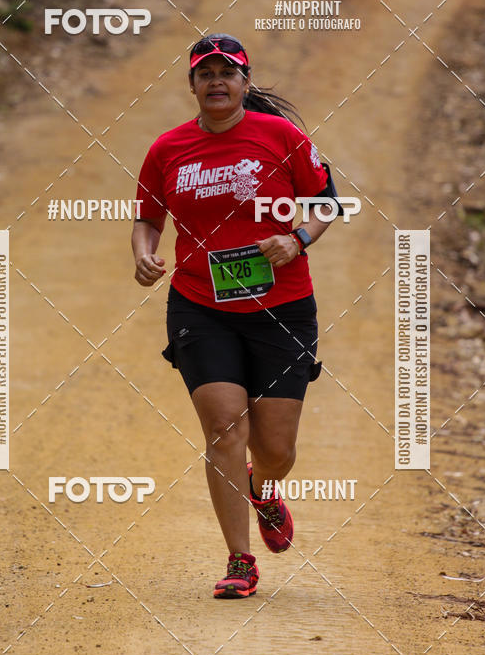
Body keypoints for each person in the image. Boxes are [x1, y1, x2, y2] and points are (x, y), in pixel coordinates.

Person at [131, 34, 338, 598]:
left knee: (275, 449)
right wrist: (144, 253)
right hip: (201, 305)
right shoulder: (168, 148)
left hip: (283, 308)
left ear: (246, 82)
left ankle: (264, 489)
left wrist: (297, 239)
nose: (216, 82)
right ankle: (240, 560)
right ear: (192, 85)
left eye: (228, 72)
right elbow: (148, 216)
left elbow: (327, 201)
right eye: (205, 74)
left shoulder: (282, 137)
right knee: (225, 428)